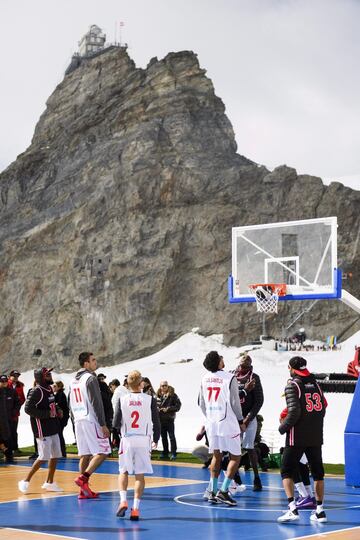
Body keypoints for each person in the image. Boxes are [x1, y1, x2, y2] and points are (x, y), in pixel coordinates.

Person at [277, 356, 327, 523]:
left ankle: (292, 509)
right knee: (318, 473)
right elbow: (324, 406)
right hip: (315, 435)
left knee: (286, 470)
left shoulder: (293, 385)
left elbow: (294, 413)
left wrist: (282, 428)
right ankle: (320, 511)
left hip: (297, 436)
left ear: (291, 368)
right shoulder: (316, 384)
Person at [113, 370, 160, 521]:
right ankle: (136, 509)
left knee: (123, 471)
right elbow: (156, 421)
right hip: (143, 439)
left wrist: (117, 433)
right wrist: (156, 438)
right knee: (139, 475)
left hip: (127, 439)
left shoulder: (122, 399)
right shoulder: (149, 399)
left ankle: (123, 500)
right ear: (141, 383)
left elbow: (115, 422)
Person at [199, 350, 245, 506]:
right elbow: (234, 402)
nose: (223, 359)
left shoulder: (204, 378)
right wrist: (240, 420)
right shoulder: (229, 378)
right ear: (218, 362)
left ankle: (212, 491)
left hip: (212, 423)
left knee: (216, 456)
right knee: (236, 456)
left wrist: (210, 416)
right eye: (220, 357)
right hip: (228, 422)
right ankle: (224, 491)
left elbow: (201, 403)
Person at [69, 352, 111, 499]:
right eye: (93, 360)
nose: (95, 362)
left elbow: (70, 404)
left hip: (78, 420)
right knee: (103, 451)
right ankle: (84, 477)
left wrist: (74, 420)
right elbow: (96, 402)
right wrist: (103, 424)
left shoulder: (73, 380)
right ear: (86, 363)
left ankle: (83, 490)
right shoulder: (90, 378)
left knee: (85, 455)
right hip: (90, 419)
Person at [18, 368, 63, 493]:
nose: (50, 376)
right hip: (42, 429)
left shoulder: (49, 389)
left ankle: (50, 482)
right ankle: (25, 480)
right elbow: (28, 409)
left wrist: (58, 409)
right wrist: (48, 414)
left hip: (53, 427)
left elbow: (51, 404)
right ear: (41, 377)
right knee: (43, 457)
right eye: (48, 374)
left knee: (55, 455)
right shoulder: (36, 391)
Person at [233, 354, 264, 491]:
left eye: (246, 366)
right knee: (233, 448)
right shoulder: (231, 376)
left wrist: (247, 419)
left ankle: (256, 477)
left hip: (248, 418)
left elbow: (259, 401)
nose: (243, 367)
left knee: (249, 447)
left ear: (250, 366)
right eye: (241, 365)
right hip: (234, 418)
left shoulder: (254, 377)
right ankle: (235, 476)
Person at [156, 381, 181, 460]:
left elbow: (178, 406)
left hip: (169, 419)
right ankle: (165, 452)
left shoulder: (173, 395)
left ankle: (173, 453)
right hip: (160, 420)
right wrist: (157, 409)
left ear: (167, 386)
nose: (163, 387)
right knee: (163, 437)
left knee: (171, 436)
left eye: (165, 385)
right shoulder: (158, 396)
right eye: (162, 386)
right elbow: (154, 406)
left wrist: (168, 409)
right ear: (160, 387)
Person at [0, 374, 20, 463]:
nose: (4, 383)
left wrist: (14, 413)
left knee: (9, 437)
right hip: (0, 420)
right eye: (2, 381)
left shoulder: (12, 391)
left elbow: (18, 403)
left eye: (5, 381)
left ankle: (9, 454)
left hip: (9, 419)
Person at [7, 370, 25, 452]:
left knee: (14, 430)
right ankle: (6, 448)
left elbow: (22, 398)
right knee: (6, 430)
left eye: (17, 376)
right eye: (14, 375)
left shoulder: (19, 386)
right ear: (10, 376)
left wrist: (16, 408)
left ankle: (15, 448)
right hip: (5, 412)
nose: (16, 377)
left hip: (15, 413)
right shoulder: (5, 384)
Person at [53, 381, 70, 458]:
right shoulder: (59, 394)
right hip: (62, 418)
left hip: (62, 418)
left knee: (59, 434)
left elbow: (58, 405)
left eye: (55, 386)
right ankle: (61, 451)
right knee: (59, 434)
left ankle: (62, 452)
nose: (53, 388)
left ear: (59, 387)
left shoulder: (60, 395)